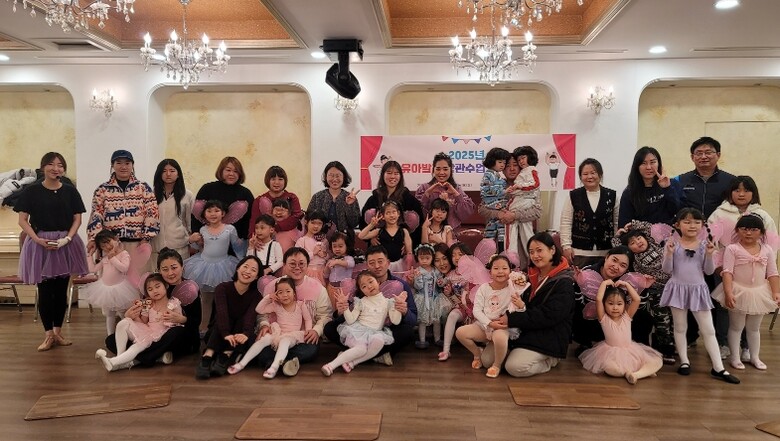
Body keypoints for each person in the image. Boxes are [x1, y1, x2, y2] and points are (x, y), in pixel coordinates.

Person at [15, 152, 89, 351]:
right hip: (41, 244)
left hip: (65, 243)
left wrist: (68, 238)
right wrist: (37, 239)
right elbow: (22, 220)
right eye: (51, 164)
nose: (56, 168)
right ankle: (48, 334)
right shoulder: (31, 191)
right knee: (45, 291)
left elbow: (77, 219)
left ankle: (58, 332)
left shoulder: (70, 191)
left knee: (61, 290)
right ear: (43, 167)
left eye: (60, 165)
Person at [660, 208, 739, 384]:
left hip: (698, 290)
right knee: (680, 326)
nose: (692, 225)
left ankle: (718, 367)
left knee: (708, 329)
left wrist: (710, 255)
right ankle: (684, 361)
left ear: (702, 225)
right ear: (678, 224)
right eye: (687, 222)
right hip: (677, 289)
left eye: (697, 222)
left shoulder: (705, 244)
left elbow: (709, 271)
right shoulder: (672, 243)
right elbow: (667, 269)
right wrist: (669, 253)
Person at [480, 232, 575, 377]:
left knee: (514, 367)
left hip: (548, 334)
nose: (535, 255)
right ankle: (515, 352)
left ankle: (551, 360)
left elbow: (549, 315)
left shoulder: (564, 282)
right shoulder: (527, 275)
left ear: (552, 250)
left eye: (539, 250)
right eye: (531, 252)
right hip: (523, 329)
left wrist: (511, 319)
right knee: (487, 360)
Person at [708, 176, 777, 360]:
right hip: (725, 269)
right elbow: (710, 241)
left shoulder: (763, 215)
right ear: (730, 192)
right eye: (737, 190)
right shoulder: (719, 214)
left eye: (746, 190)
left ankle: (747, 347)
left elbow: (772, 244)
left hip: (754, 273)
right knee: (725, 307)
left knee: (751, 310)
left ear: (753, 193)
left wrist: (767, 269)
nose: (741, 194)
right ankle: (723, 344)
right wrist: (717, 265)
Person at [104, 247, 202, 366]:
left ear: (182, 267)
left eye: (174, 267)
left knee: (176, 332)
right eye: (165, 269)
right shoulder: (154, 286)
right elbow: (144, 320)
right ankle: (156, 356)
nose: (170, 273)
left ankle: (137, 359)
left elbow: (196, 321)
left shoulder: (189, 288)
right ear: (159, 271)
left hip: (181, 336)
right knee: (111, 340)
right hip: (151, 334)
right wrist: (129, 315)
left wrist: (182, 319)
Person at [323, 245, 417, 366]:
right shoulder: (359, 284)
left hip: (386, 329)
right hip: (360, 330)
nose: (377, 266)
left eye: (380, 261)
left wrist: (404, 311)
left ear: (388, 263)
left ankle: (353, 355)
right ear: (367, 265)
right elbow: (347, 316)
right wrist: (341, 311)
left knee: (407, 332)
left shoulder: (400, 285)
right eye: (372, 263)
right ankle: (378, 355)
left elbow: (413, 319)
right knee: (329, 328)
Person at [711, 214, 780, 371]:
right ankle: (735, 357)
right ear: (737, 230)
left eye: (754, 230)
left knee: (754, 328)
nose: (748, 233)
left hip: (759, 292)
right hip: (738, 291)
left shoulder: (767, 249)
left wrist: (776, 292)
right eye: (744, 229)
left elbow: (773, 272)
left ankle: (755, 357)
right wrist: (728, 292)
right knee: (736, 326)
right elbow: (727, 272)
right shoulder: (732, 249)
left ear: (762, 232)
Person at [255, 248, 334, 376]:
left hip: (302, 337)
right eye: (292, 264)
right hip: (276, 334)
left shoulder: (318, 288)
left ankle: (273, 363)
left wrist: (316, 330)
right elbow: (262, 312)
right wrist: (264, 325)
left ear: (307, 265)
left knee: (310, 350)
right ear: (284, 265)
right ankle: (287, 363)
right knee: (260, 346)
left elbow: (326, 315)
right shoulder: (272, 286)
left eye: (301, 264)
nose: (297, 267)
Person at [95, 273, 185, 372]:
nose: (155, 291)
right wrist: (135, 315)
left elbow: (179, 322)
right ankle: (119, 358)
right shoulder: (149, 305)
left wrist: (174, 319)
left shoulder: (173, 303)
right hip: (147, 330)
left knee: (137, 347)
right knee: (123, 323)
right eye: (150, 289)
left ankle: (114, 362)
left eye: (157, 286)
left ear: (166, 286)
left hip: (160, 335)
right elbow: (143, 322)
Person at [578, 279, 663, 384]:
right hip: (611, 353)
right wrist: (604, 283)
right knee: (611, 369)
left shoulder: (627, 317)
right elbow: (599, 299)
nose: (615, 307)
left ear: (624, 305)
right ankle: (635, 372)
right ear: (604, 305)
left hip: (631, 351)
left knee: (657, 362)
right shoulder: (604, 318)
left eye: (619, 304)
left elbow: (636, 299)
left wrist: (626, 284)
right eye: (610, 303)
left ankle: (636, 374)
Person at [612, 222, 675, 362]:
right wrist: (618, 236)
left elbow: (649, 227)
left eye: (639, 238)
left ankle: (669, 345)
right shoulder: (634, 258)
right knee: (662, 321)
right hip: (655, 291)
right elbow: (618, 249)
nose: (638, 242)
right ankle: (666, 350)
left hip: (672, 287)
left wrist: (634, 224)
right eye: (632, 243)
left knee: (674, 321)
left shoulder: (653, 242)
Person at [321, 271, 404, 375]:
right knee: (361, 349)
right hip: (358, 332)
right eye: (364, 286)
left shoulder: (388, 302)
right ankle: (330, 365)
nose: (369, 286)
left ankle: (352, 362)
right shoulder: (361, 302)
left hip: (375, 332)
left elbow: (396, 321)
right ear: (362, 291)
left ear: (378, 282)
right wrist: (345, 307)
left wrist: (398, 307)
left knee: (379, 341)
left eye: (371, 282)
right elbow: (350, 320)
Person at [86, 149, 158, 270]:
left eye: (127, 163)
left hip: (138, 244)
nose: (123, 167)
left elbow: (152, 214)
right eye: (119, 163)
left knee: (138, 279)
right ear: (112, 165)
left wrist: (146, 238)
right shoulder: (102, 190)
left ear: (132, 165)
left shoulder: (143, 188)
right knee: (111, 279)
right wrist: (94, 239)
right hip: (110, 246)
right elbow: (96, 215)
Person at [455, 255, 525, 378]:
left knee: (500, 338)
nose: (500, 271)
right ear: (490, 272)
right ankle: (477, 353)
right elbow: (477, 310)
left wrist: (521, 306)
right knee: (460, 332)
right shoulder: (484, 288)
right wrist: (489, 323)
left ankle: (497, 365)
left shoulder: (513, 289)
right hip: (485, 326)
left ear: (510, 271)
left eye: (504, 268)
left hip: (502, 327)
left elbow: (519, 311)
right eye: (496, 268)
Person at [228, 276, 312, 378]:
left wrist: (308, 331)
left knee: (284, 341)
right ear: (276, 295)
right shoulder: (276, 305)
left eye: (288, 291)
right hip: (278, 332)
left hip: (292, 335)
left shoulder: (301, 305)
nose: (285, 295)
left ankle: (274, 367)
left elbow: (308, 319)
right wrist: (268, 297)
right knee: (263, 340)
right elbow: (259, 309)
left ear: (294, 293)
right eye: (280, 292)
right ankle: (241, 364)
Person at [195, 256, 262, 380]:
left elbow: (250, 316)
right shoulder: (222, 288)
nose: (248, 271)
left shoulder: (257, 295)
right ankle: (208, 355)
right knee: (223, 319)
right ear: (238, 268)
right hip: (218, 331)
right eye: (245, 267)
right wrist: (225, 333)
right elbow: (222, 313)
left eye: (253, 270)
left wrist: (246, 333)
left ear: (257, 276)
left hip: (239, 332)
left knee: (242, 321)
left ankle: (226, 354)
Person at [184, 200, 245, 333]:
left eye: (216, 211)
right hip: (204, 267)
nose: (213, 214)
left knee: (223, 299)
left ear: (223, 213)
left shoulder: (230, 229)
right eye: (209, 211)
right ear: (204, 214)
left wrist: (243, 263)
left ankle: (223, 327)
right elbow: (198, 247)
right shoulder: (203, 229)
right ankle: (203, 326)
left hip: (224, 267)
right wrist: (193, 241)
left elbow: (237, 247)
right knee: (205, 299)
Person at [478, 151, 541, 270]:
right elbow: (482, 209)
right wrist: (499, 214)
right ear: (501, 168)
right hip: (497, 239)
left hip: (520, 241)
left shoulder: (529, 187)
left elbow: (537, 211)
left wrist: (514, 215)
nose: (512, 169)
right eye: (507, 165)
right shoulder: (496, 184)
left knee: (519, 273)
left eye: (515, 165)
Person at [560, 158, 618, 268]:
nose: (589, 177)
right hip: (579, 253)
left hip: (606, 253)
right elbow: (566, 222)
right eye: (585, 174)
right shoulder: (573, 196)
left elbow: (616, 223)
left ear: (600, 175)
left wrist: (616, 247)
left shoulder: (612, 196)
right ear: (580, 177)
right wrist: (566, 246)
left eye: (593, 173)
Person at [80, 229, 139, 335]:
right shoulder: (105, 258)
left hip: (120, 289)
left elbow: (124, 268)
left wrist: (112, 257)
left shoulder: (124, 254)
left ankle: (129, 334)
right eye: (103, 246)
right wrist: (89, 255)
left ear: (115, 239)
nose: (107, 247)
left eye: (108, 242)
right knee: (109, 314)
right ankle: (110, 336)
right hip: (106, 289)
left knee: (123, 313)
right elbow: (93, 269)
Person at [361, 160, 424, 246]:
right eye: (389, 173)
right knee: (370, 213)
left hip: (401, 244)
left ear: (400, 176)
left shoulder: (409, 199)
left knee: (412, 216)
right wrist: (370, 238)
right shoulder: (374, 198)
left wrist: (408, 243)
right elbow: (362, 223)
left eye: (396, 173)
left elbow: (420, 225)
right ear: (382, 175)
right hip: (380, 244)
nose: (392, 176)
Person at [192, 156, 254, 243]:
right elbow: (196, 215)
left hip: (236, 242)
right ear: (221, 171)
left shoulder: (245, 193)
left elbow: (250, 219)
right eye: (228, 170)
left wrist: (245, 238)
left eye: (236, 171)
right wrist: (197, 235)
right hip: (207, 241)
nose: (231, 174)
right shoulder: (207, 189)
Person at [675, 137, 736, 219]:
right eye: (699, 153)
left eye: (708, 152)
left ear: (718, 155)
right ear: (692, 157)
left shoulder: (731, 181)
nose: (703, 157)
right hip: (690, 225)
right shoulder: (680, 180)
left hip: (721, 225)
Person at [618, 146, 681, 227]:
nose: (648, 167)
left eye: (652, 162)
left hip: (668, 233)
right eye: (643, 163)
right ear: (637, 166)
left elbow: (679, 212)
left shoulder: (672, 184)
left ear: (659, 164)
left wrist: (667, 189)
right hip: (641, 234)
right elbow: (624, 224)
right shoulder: (629, 192)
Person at [415, 152, 475, 231]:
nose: (441, 172)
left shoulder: (456, 189)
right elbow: (418, 214)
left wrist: (456, 195)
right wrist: (427, 194)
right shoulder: (424, 188)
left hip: (452, 232)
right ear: (433, 170)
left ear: (451, 170)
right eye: (438, 169)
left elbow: (465, 214)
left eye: (445, 169)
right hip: (429, 232)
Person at [437, 242, 476, 361]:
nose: (456, 257)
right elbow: (445, 286)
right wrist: (449, 292)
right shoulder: (451, 274)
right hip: (459, 306)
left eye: (460, 254)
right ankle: (446, 350)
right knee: (452, 316)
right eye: (453, 255)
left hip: (475, 307)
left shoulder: (474, 272)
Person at [151, 159, 194, 262]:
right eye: (164, 171)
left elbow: (190, 222)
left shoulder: (187, 195)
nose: (168, 174)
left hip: (180, 247)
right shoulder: (151, 194)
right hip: (156, 248)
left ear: (178, 174)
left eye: (172, 170)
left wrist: (189, 239)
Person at [248, 165, 304, 240]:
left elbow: (296, 218)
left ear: (285, 181)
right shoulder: (259, 200)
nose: (277, 182)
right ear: (268, 180)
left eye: (280, 179)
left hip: (289, 239)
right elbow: (254, 222)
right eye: (273, 179)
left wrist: (276, 228)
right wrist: (253, 238)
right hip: (265, 240)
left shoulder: (292, 198)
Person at [506, 146, 541, 258]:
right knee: (517, 229)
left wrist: (519, 187)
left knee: (521, 229)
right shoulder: (498, 185)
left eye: (523, 158)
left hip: (525, 201)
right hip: (520, 201)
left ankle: (522, 257)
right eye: (519, 160)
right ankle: (514, 257)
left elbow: (535, 184)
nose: (521, 161)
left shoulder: (531, 170)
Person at [358, 200, 413, 272]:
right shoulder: (379, 231)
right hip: (383, 265)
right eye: (388, 213)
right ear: (383, 216)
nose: (391, 215)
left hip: (399, 265)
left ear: (398, 213)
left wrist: (408, 268)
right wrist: (371, 225)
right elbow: (361, 236)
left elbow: (409, 252)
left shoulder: (404, 231)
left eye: (394, 212)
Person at [307, 161, 360, 233]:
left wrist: (349, 206)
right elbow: (309, 220)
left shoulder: (350, 197)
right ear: (326, 177)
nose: (335, 179)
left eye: (338, 176)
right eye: (331, 175)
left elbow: (354, 223)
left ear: (344, 177)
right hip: (320, 238)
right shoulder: (317, 197)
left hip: (344, 238)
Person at [409, 244, 441, 349]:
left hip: (434, 298)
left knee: (436, 319)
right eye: (421, 258)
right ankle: (422, 340)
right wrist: (418, 278)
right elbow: (418, 287)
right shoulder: (418, 271)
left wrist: (440, 282)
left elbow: (439, 282)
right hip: (422, 298)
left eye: (427, 258)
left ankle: (437, 339)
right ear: (417, 258)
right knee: (422, 321)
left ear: (432, 257)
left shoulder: (435, 270)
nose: (424, 261)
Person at [479, 147, 511, 251]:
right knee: (498, 228)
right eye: (500, 162)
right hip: (492, 203)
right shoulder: (490, 174)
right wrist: (505, 191)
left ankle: (494, 249)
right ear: (492, 161)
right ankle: (496, 250)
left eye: (504, 163)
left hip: (494, 204)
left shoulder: (496, 175)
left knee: (494, 229)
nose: (502, 165)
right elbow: (493, 190)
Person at [295, 209, 329, 285]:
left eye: (319, 223)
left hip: (322, 272)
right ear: (306, 222)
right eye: (313, 222)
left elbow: (329, 256)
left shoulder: (324, 240)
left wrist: (325, 255)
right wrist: (313, 253)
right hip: (307, 272)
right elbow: (298, 258)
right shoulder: (302, 240)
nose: (316, 226)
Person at [325, 230, 356, 307]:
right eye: (334, 246)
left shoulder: (348, 258)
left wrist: (337, 262)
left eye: (340, 246)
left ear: (346, 246)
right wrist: (327, 267)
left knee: (343, 306)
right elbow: (326, 275)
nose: (337, 249)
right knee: (332, 306)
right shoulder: (331, 260)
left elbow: (351, 264)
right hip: (332, 288)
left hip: (344, 288)